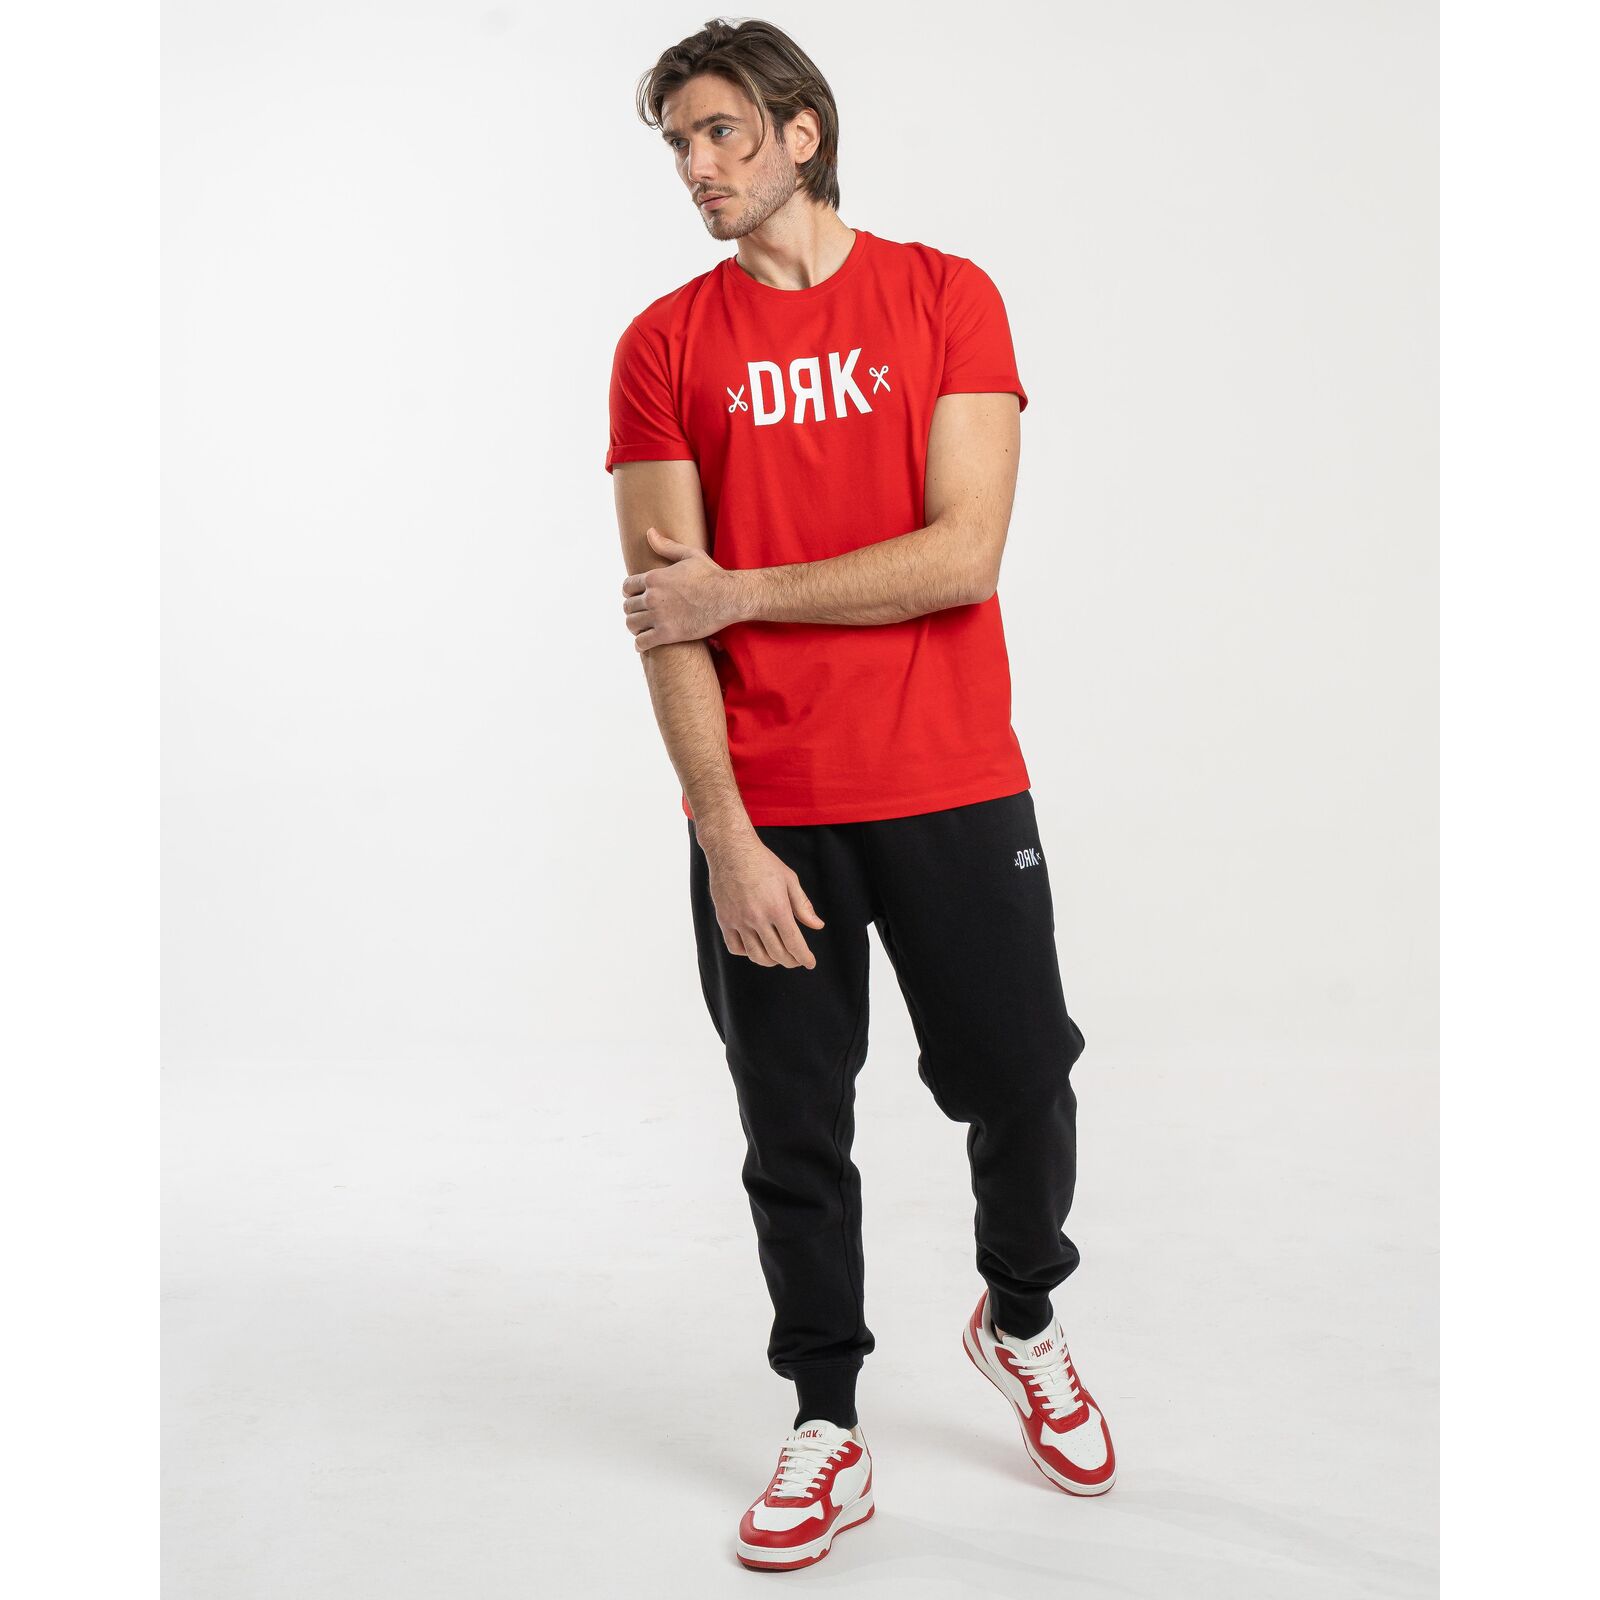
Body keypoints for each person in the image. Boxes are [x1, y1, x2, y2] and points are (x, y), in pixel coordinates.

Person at [606, 17, 1115, 1571]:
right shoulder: (661, 348)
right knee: (794, 1127)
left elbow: (963, 555)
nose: (696, 167)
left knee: (1022, 1078)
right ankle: (826, 1421)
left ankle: (1019, 1314)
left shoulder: (946, 299)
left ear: (801, 130)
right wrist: (725, 833)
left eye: (719, 132)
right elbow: (665, 619)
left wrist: (747, 589)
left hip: (952, 778)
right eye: (678, 144)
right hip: (771, 810)